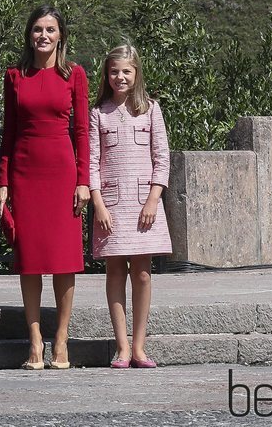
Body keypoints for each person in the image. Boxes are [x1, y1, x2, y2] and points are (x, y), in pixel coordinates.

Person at [0, 6, 90, 369]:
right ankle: (35, 341)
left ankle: (61, 341)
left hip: (62, 171)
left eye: (50, 29)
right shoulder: (15, 75)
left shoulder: (74, 74)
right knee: (30, 261)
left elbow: (81, 131)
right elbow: (9, 133)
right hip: (24, 172)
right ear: (29, 35)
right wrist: (3, 180)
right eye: (37, 29)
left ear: (61, 35)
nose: (43, 36)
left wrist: (84, 181)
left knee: (65, 261)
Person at [88, 43, 172, 369]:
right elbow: (93, 163)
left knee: (142, 274)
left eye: (126, 71)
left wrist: (153, 199)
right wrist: (98, 204)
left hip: (143, 207)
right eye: (114, 71)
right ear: (106, 75)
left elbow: (161, 158)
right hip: (110, 206)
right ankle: (121, 347)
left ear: (136, 74)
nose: (119, 77)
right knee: (114, 272)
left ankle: (139, 347)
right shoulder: (99, 113)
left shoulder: (151, 109)